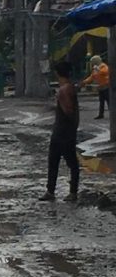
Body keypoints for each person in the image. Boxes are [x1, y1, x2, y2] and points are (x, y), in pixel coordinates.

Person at [40, 61, 80, 202]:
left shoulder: (63, 90)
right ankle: (54, 191)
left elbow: (68, 110)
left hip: (62, 132)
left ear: (58, 73)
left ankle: (68, 192)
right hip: (66, 131)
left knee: (63, 162)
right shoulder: (70, 87)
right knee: (60, 162)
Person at [80, 55, 110, 119]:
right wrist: (84, 82)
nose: (92, 63)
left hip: (106, 86)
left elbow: (105, 72)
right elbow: (92, 77)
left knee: (109, 102)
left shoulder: (103, 66)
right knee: (101, 102)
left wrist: (98, 69)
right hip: (101, 87)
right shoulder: (95, 68)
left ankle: (112, 114)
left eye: (93, 61)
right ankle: (100, 114)